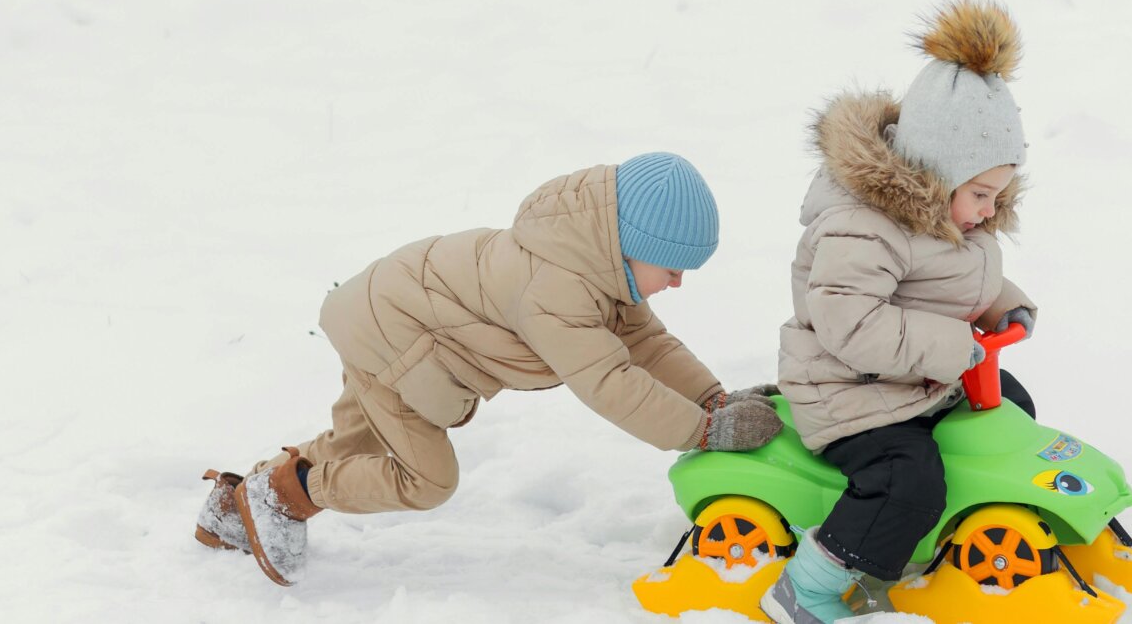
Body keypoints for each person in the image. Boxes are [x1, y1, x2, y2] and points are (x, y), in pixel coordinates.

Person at [194, 152, 786, 586]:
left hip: (387, 311)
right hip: (395, 338)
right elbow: (609, 381)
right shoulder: (556, 287)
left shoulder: (597, 268)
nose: (677, 283)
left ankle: (232, 511)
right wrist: (704, 433)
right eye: (672, 267)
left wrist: (712, 399)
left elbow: (648, 345)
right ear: (627, 242)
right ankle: (281, 495)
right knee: (426, 478)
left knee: (356, 443)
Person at [762, 0, 1042, 624]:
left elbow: (951, 282)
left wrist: (1004, 307)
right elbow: (849, 323)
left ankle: (948, 534)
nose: (990, 211)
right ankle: (805, 586)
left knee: (1011, 408)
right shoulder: (862, 226)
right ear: (936, 173)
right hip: (849, 392)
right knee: (904, 478)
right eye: (981, 193)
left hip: (911, 380)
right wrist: (950, 347)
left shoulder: (946, 219)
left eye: (999, 195)